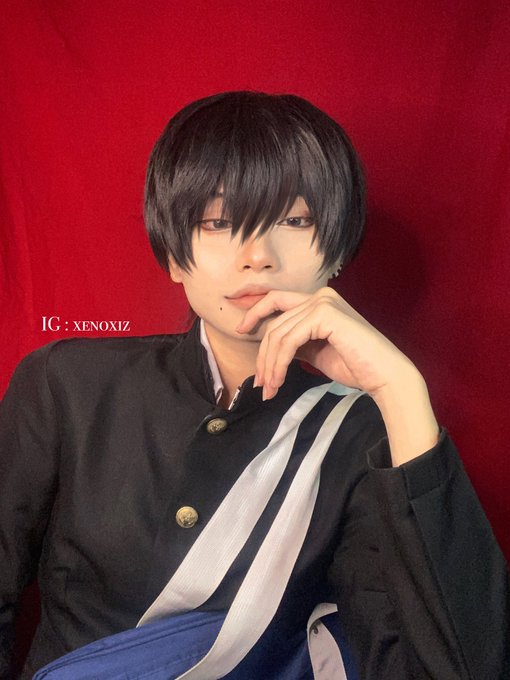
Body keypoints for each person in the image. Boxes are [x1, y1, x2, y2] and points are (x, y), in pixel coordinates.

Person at [0, 91, 508, 679]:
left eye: (294, 220)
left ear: (337, 252)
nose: (257, 256)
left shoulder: (366, 435)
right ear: (173, 255)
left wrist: (401, 390)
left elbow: (456, 666)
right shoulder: (66, 385)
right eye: (217, 222)